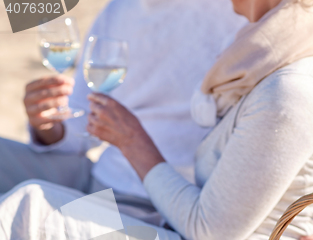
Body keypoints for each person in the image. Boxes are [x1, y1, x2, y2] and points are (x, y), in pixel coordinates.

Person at [0, 0, 313, 240]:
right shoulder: (263, 43)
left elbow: (210, 227)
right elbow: (84, 122)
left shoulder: (281, 70)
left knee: (30, 217)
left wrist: (132, 140)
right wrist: (48, 125)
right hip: (151, 202)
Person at [0, 0, 246, 197]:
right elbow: (83, 122)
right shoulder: (119, 8)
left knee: (23, 217)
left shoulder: (237, 14)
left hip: (156, 203)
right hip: (99, 178)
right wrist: (47, 125)